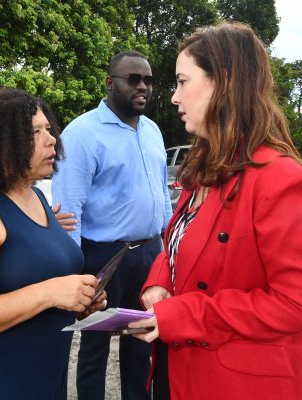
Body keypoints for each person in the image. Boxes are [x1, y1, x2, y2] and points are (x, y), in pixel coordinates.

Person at [128, 22, 302, 400]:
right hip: (180, 369)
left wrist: (183, 314)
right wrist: (159, 281)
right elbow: (180, 244)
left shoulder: (280, 178)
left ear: (222, 82)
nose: (174, 97)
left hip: (238, 384)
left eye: (181, 82)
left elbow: (293, 303)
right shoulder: (207, 168)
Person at [0, 88, 106, 400]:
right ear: (1, 144)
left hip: (45, 379)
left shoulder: (37, 197)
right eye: (34, 132)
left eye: (48, 129)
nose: (51, 139)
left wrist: (79, 299)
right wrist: (50, 293)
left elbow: (40, 280)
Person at [52, 51, 172, 400]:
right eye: (132, 79)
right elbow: (70, 207)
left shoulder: (152, 129)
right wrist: (74, 270)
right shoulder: (82, 133)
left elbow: (162, 193)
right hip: (105, 255)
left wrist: (165, 247)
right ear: (110, 83)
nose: (142, 86)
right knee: (96, 345)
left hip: (150, 252)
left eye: (148, 80)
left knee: (142, 338)